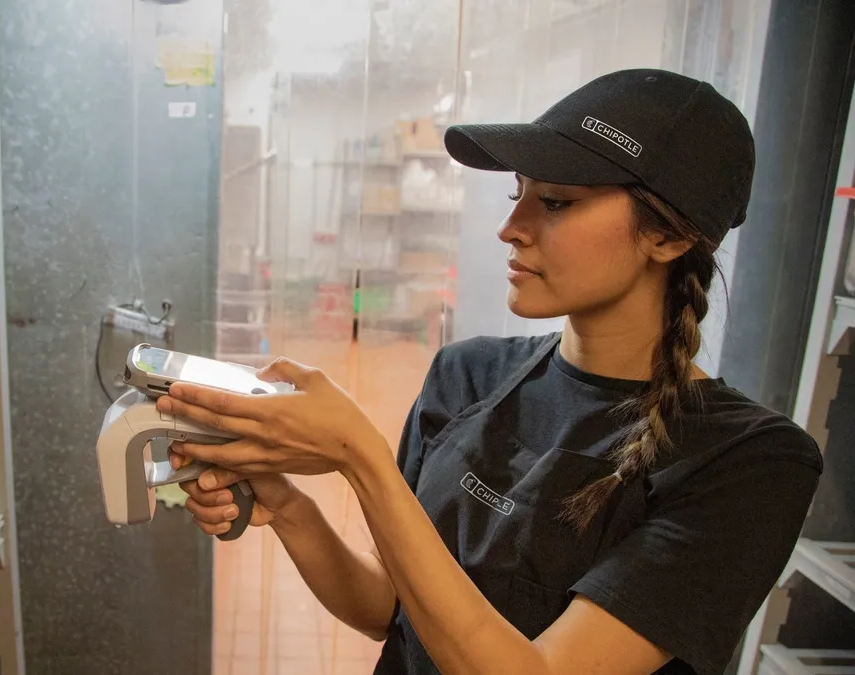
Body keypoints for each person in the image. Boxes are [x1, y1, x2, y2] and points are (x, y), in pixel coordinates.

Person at [157, 68, 823, 675]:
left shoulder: (749, 461)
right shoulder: (467, 375)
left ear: (669, 238)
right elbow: (389, 605)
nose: (511, 227)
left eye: (556, 202)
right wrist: (294, 508)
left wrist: (359, 457)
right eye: (518, 193)